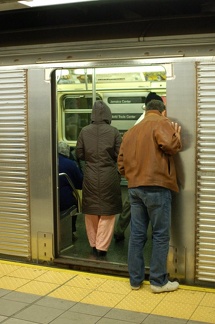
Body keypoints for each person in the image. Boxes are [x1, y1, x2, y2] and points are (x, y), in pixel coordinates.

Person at [118, 99, 182, 293]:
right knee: (160, 235)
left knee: (137, 235)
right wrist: (177, 136)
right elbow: (170, 146)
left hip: (134, 188)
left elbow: (120, 166)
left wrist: (134, 175)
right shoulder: (161, 123)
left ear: (146, 110)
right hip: (157, 186)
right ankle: (158, 281)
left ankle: (135, 280)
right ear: (162, 111)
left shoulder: (131, 131)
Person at [114, 92, 164, 242]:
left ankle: (119, 230)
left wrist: (128, 174)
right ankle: (122, 231)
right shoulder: (155, 122)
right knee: (149, 209)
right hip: (148, 173)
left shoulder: (139, 122)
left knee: (130, 205)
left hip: (136, 174)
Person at [76, 100, 122, 257]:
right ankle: (102, 247)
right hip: (109, 175)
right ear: (108, 115)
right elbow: (119, 154)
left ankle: (94, 244)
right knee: (107, 213)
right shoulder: (114, 131)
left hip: (90, 175)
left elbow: (79, 153)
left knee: (91, 212)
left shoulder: (84, 131)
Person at [58, 141, 83, 239]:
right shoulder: (71, 164)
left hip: (47, 198)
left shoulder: (48, 160)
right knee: (73, 203)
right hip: (64, 199)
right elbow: (80, 183)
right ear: (67, 152)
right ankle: (71, 231)